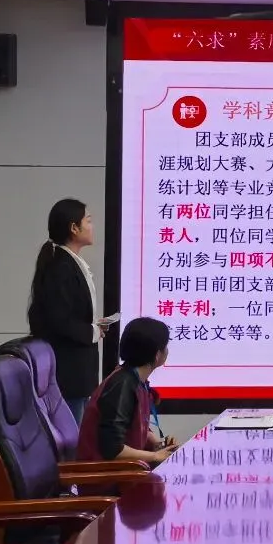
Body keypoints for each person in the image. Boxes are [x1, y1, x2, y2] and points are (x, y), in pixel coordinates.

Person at [27, 198, 104, 425]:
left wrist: (94, 327)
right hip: (68, 373)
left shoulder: (69, 262)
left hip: (76, 372)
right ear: (74, 228)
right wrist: (92, 331)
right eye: (88, 221)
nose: (91, 226)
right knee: (70, 437)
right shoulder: (61, 267)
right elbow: (59, 321)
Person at [76, 317, 178, 467]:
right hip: (106, 475)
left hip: (125, 469)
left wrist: (156, 443)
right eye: (165, 346)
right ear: (157, 355)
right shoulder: (122, 386)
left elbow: (129, 427)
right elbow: (113, 449)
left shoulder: (133, 380)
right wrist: (155, 456)